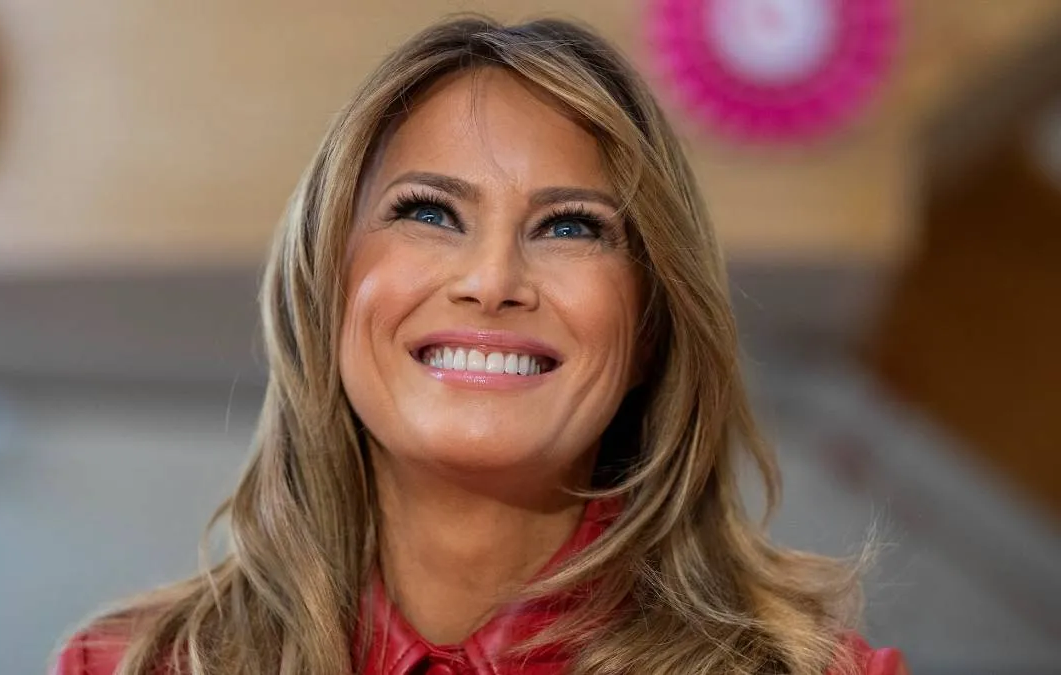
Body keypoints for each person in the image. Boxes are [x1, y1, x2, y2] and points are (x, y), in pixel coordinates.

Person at [54, 16, 906, 675]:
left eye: (570, 226)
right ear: (326, 288)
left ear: (650, 328)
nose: (492, 280)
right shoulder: (130, 666)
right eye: (428, 212)